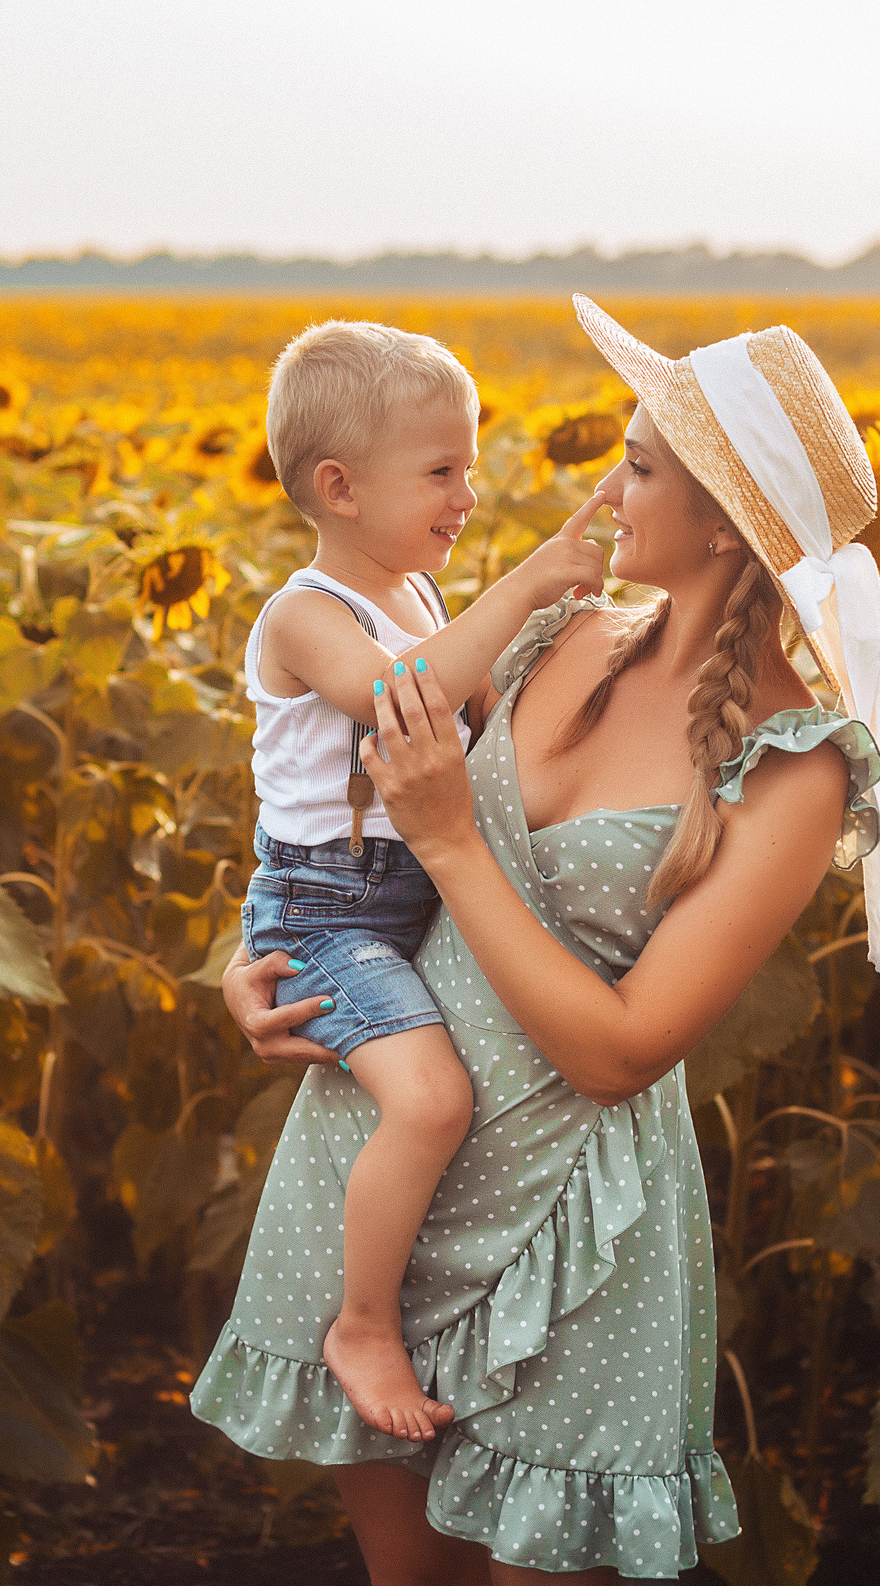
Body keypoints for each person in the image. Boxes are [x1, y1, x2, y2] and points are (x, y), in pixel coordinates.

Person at [192, 296, 880, 1583]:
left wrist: (456, 841)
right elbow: (328, 808)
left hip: (568, 1224)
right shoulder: (547, 637)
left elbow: (623, 1053)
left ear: (722, 515)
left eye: (636, 466)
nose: (605, 490)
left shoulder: (788, 766)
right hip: (376, 1163)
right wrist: (257, 966)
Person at [240, 320, 608, 1442]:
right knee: (433, 1099)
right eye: (442, 471)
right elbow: (400, 700)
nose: (468, 494)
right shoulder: (305, 615)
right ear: (340, 487)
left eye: (472, 468)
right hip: (326, 915)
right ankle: (359, 1324)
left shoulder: (417, 597)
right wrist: (529, 579)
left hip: (401, 902)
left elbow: (477, 701)